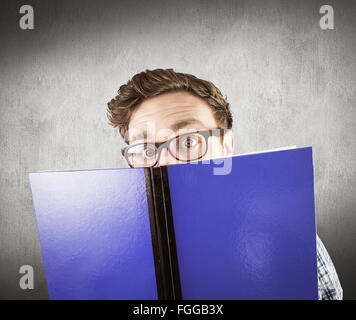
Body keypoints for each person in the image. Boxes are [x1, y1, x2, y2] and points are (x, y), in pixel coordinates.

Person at [107, 68, 343, 300]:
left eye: (188, 142)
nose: (165, 163)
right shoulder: (107, 249)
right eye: (146, 149)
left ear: (226, 146)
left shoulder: (288, 236)